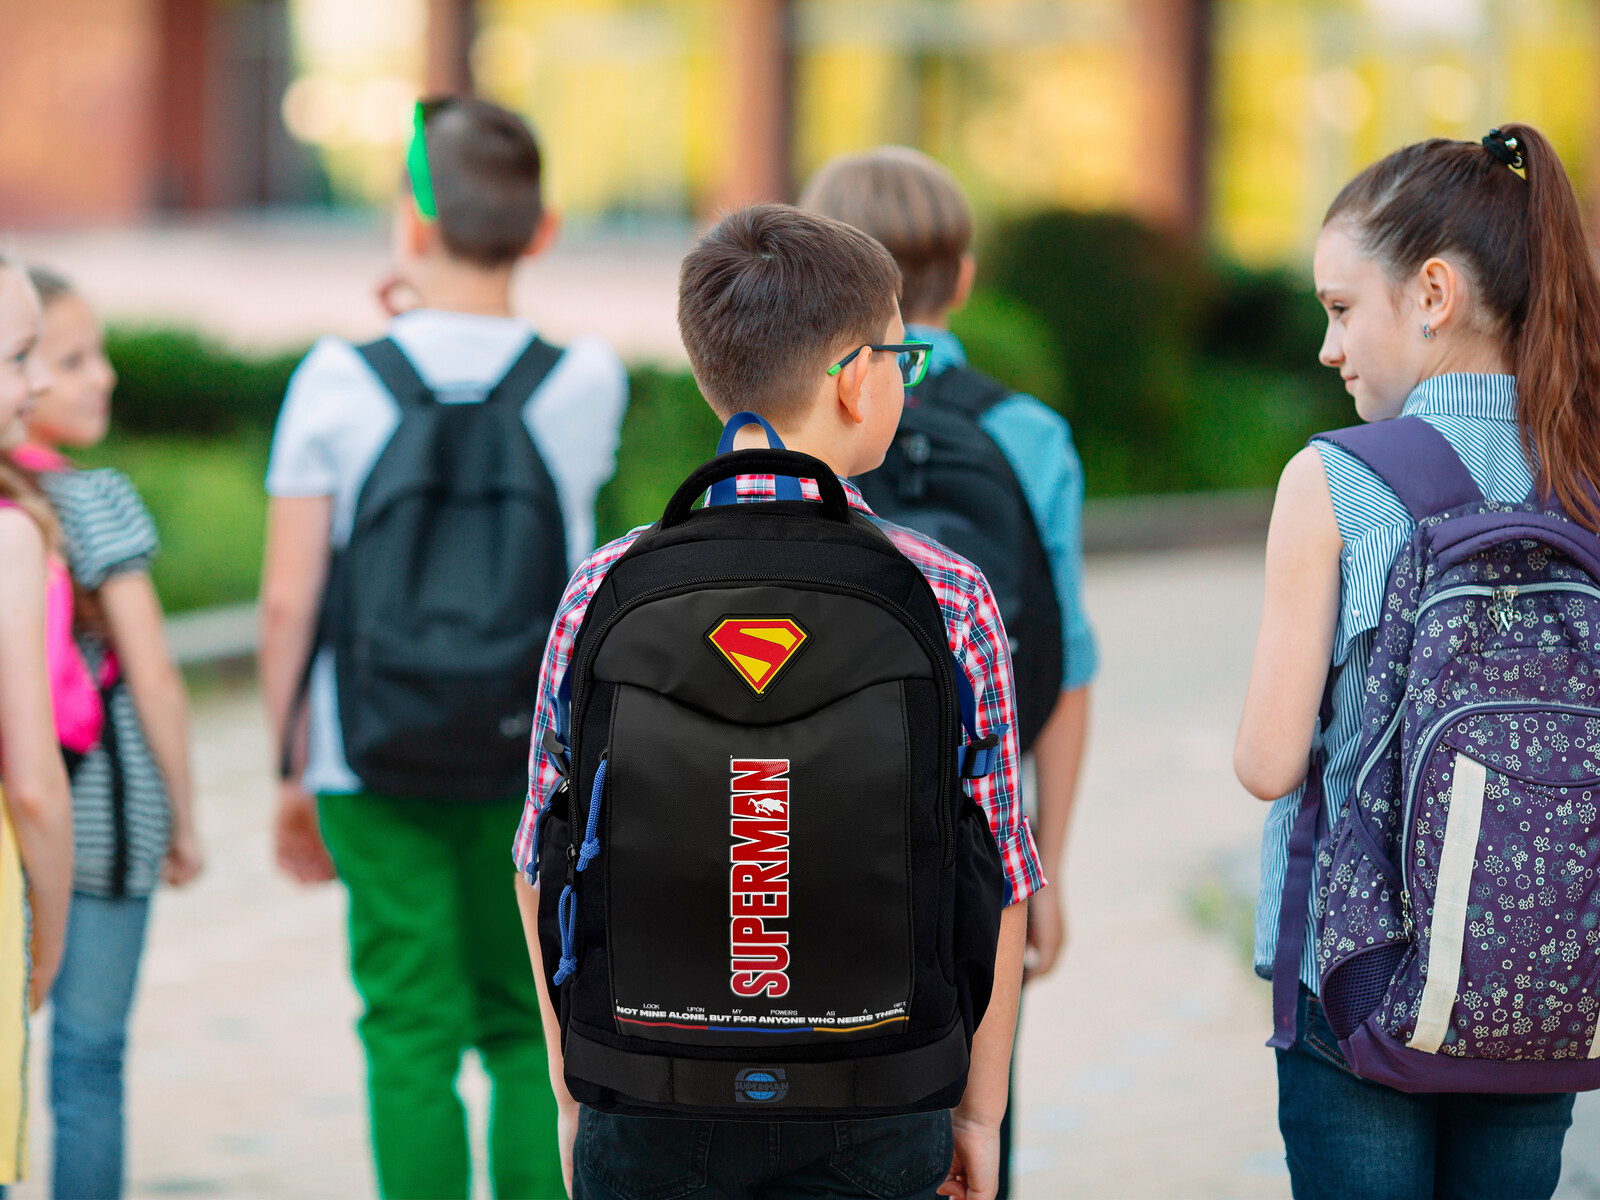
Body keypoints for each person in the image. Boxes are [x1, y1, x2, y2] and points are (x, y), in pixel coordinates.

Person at [512, 203, 1040, 1200]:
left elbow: (539, 856)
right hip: (879, 1091)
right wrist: (977, 1112)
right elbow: (1003, 874)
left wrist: (573, 1090)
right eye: (901, 357)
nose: (903, 378)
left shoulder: (601, 590)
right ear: (854, 380)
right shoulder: (946, 594)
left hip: (647, 1089)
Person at [260, 95, 626, 1200]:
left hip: (369, 749)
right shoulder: (586, 378)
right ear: (543, 230)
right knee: (525, 1022)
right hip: (531, 754)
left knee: (408, 1025)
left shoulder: (336, 377)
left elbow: (286, 601)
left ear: (411, 227)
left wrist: (289, 767)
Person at [1235, 123, 1600, 1199]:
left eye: (1342, 308)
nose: (1329, 347)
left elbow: (1267, 762)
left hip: (1358, 982)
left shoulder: (1334, 480)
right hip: (1542, 977)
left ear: (1432, 294)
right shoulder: (1582, 478)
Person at [801, 148, 1097, 1194]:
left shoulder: (795, 408)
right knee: (971, 1095)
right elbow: (1063, 664)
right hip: (972, 838)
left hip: (810, 820)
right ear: (963, 277)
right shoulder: (1027, 433)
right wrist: (1043, 869)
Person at [14, 268, 202, 1200]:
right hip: (102, 815)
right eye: (70, 359)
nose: (104, 377)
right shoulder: (94, 500)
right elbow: (154, 678)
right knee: (88, 1062)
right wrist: (186, 819)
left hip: (14, 819)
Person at [0, 258, 77, 1187]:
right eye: (20, 357)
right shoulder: (9, 539)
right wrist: (44, 942)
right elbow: (33, 786)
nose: (39, 383)